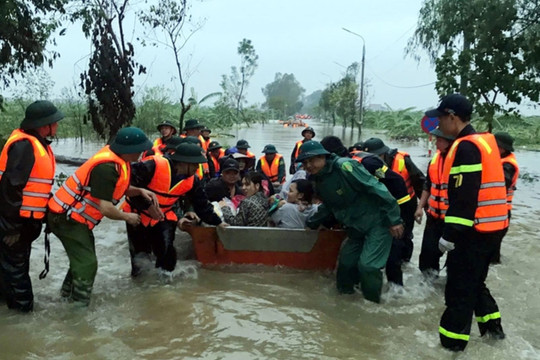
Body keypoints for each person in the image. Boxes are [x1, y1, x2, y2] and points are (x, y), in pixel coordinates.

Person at [426, 94, 508, 351]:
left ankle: (451, 348)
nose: (438, 123)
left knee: (458, 293)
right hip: (492, 228)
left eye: (440, 118)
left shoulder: (466, 147)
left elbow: (464, 198)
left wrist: (449, 236)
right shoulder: (485, 142)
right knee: (475, 284)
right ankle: (494, 333)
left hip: (473, 232)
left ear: (452, 117)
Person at [47, 127, 159, 306]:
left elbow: (116, 188)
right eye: (139, 149)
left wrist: (138, 190)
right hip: (66, 219)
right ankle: (78, 309)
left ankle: (65, 297)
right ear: (127, 150)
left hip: (74, 219)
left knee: (82, 260)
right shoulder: (106, 168)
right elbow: (106, 208)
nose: (142, 152)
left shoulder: (120, 162)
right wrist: (127, 217)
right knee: (88, 263)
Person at [300, 141, 404, 303]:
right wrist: (313, 223)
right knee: (346, 265)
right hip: (355, 227)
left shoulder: (345, 167)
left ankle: (372, 305)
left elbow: (376, 188)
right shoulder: (319, 180)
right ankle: (345, 302)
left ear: (323, 157)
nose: (308, 166)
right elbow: (328, 206)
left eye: (311, 161)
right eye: (305, 163)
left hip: (377, 223)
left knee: (368, 266)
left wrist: (394, 219)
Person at [320, 135, 413, 287]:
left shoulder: (365, 164)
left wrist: (397, 219)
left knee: (393, 252)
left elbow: (396, 182)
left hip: (394, 208)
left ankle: (396, 291)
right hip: (367, 217)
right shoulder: (333, 173)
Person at [123, 143, 225, 276]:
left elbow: (202, 205)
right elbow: (126, 184)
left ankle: (165, 284)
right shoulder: (153, 165)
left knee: (167, 252)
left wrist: (218, 222)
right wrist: (147, 206)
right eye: (194, 164)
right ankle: (140, 285)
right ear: (183, 162)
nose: (197, 168)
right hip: (137, 214)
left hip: (163, 216)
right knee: (140, 256)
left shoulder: (193, 181)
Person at [0, 100, 64, 312]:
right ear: (43, 125)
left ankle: (8, 311)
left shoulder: (37, 144)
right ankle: (22, 319)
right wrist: (12, 228)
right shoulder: (25, 146)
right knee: (17, 273)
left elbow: (35, 189)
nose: (56, 126)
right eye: (54, 123)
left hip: (23, 222)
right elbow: (10, 189)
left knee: (10, 270)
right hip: (13, 223)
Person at [363, 137, 425, 262]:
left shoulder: (402, 160)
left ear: (383, 154)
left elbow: (420, 182)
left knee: (404, 236)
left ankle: (405, 262)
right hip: (385, 204)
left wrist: (421, 208)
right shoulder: (367, 164)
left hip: (407, 203)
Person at [415, 128, 455, 277]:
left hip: (453, 219)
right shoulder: (435, 160)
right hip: (433, 217)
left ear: (449, 142)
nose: (436, 143)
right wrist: (420, 208)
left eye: (439, 140)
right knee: (427, 256)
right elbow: (428, 186)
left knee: (455, 260)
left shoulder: (459, 161)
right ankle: (428, 288)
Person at [491, 132, 519, 264]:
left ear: (501, 148)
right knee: (491, 251)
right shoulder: (500, 161)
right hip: (498, 213)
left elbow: (500, 184)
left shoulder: (507, 165)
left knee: (491, 253)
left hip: (500, 214)